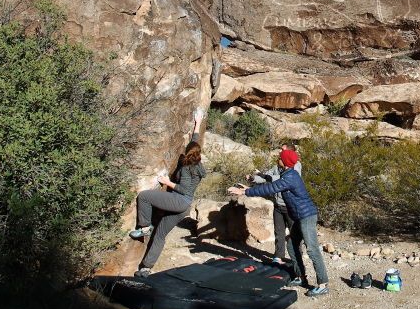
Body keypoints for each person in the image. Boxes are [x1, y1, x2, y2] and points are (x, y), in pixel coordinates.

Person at [228, 148, 329, 297]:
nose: (278, 159)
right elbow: (269, 184)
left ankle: (323, 284)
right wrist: (249, 188)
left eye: (280, 157)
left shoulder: (291, 177)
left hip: (306, 216)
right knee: (291, 245)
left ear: (285, 162)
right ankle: (300, 277)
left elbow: (272, 187)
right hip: (298, 216)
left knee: (312, 248)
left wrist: (245, 192)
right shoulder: (286, 174)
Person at [129, 111, 207, 277]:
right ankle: (146, 268)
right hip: (184, 207)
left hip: (179, 200)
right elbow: (195, 142)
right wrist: (197, 123)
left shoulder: (187, 169)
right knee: (161, 235)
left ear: (187, 154)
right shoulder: (199, 164)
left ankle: (144, 228)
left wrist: (167, 182)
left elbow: (184, 189)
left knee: (144, 196)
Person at [247, 143, 301, 265]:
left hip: (290, 205)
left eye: (282, 150)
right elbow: (267, 177)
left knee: (294, 233)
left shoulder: (296, 166)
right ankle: (278, 255)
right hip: (278, 204)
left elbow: (281, 179)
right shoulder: (277, 166)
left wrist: (265, 175)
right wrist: (254, 178)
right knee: (279, 231)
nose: (279, 152)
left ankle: (297, 257)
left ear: (290, 152)